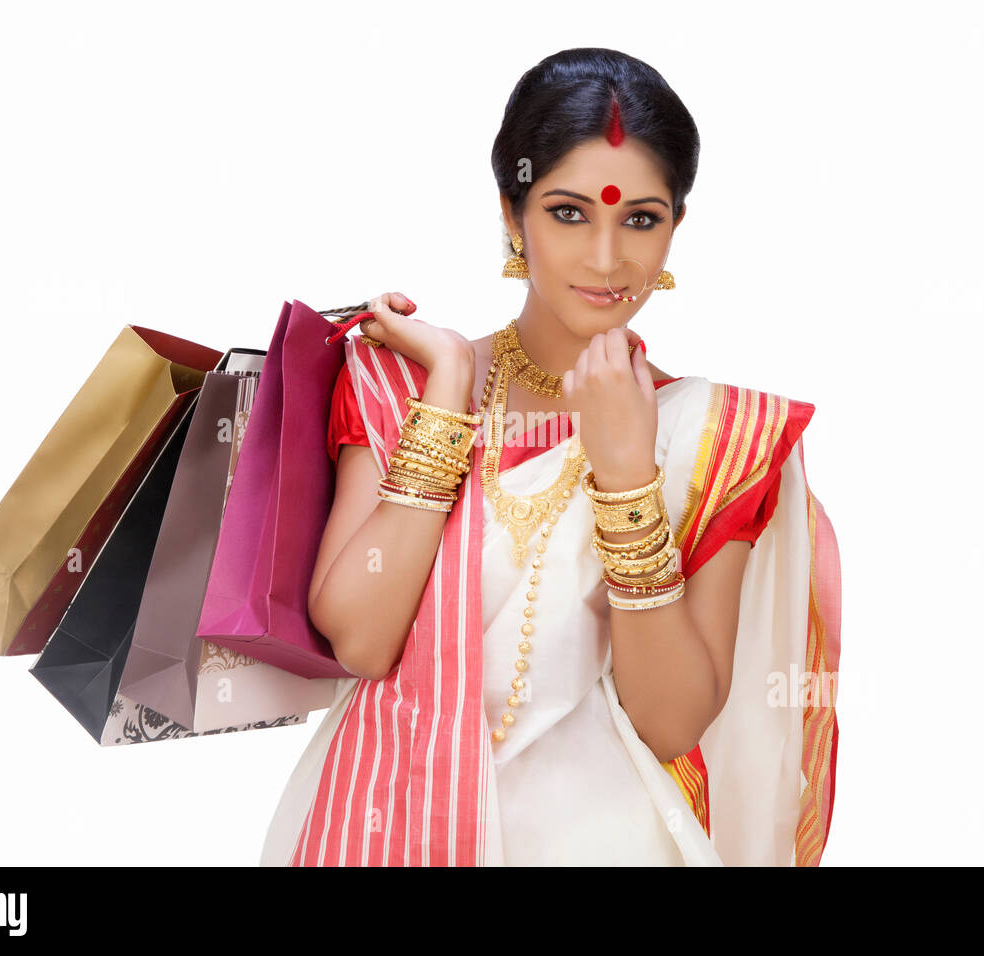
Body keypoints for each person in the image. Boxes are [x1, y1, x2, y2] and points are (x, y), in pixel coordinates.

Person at [261, 47, 841, 866]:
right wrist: (451, 390)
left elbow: (670, 719)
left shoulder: (710, 435)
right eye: (570, 212)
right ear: (511, 213)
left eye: (641, 218)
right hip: (383, 824)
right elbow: (360, 638)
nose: (607, 260)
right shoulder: (407, 386)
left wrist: (626, 470)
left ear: (676, 225)